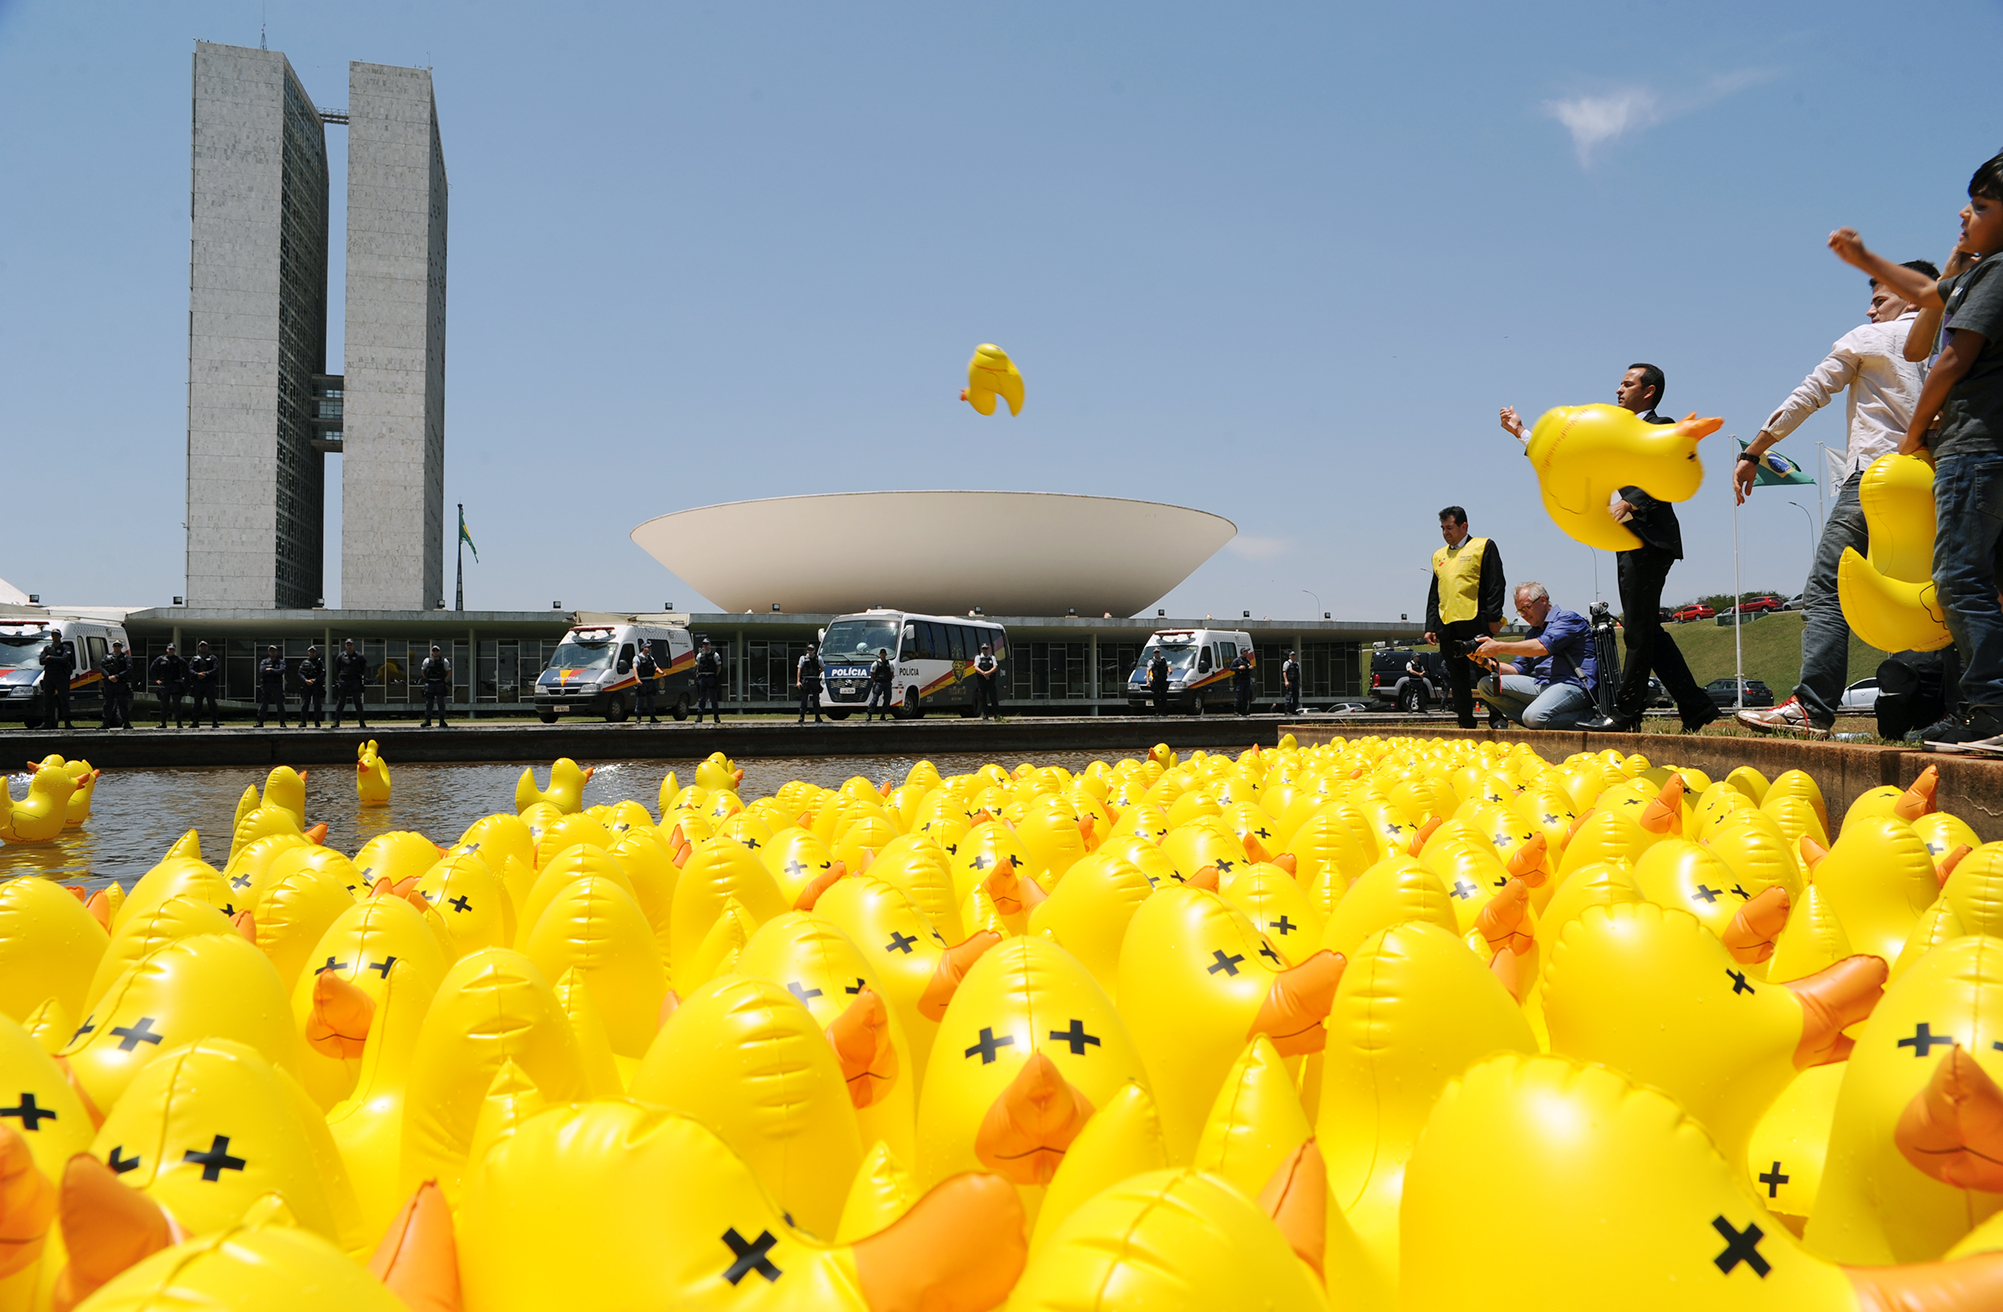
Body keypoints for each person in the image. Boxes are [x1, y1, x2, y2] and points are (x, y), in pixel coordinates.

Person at [1829, 152, 2003, 749]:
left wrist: (1913, 433)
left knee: (1959, 579)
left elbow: (1952, 358)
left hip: (1973, 450)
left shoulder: (1998, 272)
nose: (1964, 214)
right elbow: (1930, 292)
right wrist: (1865, 258)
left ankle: (1988, 711)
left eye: (1980, 206)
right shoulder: (1982, 273)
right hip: (1983, 451)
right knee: (1986, 579)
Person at [1734, 264, 1931, 738]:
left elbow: (1809, 394)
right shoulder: (1952, 348)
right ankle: (1943, 708)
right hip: (1931, 486)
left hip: (1874, 479)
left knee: (1828, 590)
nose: (1870, 309)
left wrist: (1754, 450)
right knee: (1929, 598)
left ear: (1912, 297)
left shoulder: (1870, 338)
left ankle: (1812, 707)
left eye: (1880, 299)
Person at [1503, 366, 1717, 732]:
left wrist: (1630, 502)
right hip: (1628, 543)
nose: (1618, 390)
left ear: (1649, 392)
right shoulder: (1615, 434)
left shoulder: (1659, 426)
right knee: (1649, 632)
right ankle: (1697, 708)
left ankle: (1625, 715)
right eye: (1619, 383)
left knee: (1636, 632)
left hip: (1649, 539)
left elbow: (1668, 467)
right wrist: (1522, 432)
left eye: (1627, 384)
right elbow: (1567, 455)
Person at [1470, 583, 1599, 729]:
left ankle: (1589, 716)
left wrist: (1498, 646)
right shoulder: (1533, 632)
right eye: (1520, 611)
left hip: (1573, 685)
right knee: (1487, 685)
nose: (1523, 615)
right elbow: (1517, 670)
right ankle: (1536, 720)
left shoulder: (1567, 619)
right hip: (1542, 685)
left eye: (1526, 608)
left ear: (1543, 600)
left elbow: (1543, 647)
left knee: (1533, 717)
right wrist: (1485, 662)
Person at [1423, 506, 1506, 728]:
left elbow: (1496, 583)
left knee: (1486, 670)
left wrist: (1494, 616)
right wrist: (1430, 625)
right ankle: (1465, 722)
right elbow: (1435, 592)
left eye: (1449, 527)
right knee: (1457, 677)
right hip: (1448, 625)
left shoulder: (1483, 546)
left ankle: (1497, 717)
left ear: (1464, 526)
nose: (1445, 533)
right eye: (1442, 528)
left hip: (1476, 622)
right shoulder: (1439, 555)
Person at [38, 628, 74, 730]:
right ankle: (46, 722)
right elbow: (41, 660)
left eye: (57, 635)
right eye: (53, 635)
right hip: (49, 676)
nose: (55, 637)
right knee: (47, 700)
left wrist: (51, 658)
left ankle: (67, 722)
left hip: (61, 676)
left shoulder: (65, 647)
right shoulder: (48, 648)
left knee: (64, 699)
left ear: (60, 636)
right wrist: (50, 659)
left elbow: (65, 659)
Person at [331, 639, 370, 729]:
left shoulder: (359, 656)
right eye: (347, 645)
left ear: (353, 645)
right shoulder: (341, 656)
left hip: (355, 680)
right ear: (345, 646)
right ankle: (336, 722)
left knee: (357, 701)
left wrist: (359, 675)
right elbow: (337, 668)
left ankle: (361, 722)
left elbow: (364, 667)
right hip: (344, 681)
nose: (349, 646)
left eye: (351, 645)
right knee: (341, 701)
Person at [150, 643, 186, 728]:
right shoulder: (160, 659)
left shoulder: (179, 660)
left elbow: (187, 669)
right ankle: (163, 723)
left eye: (173, 649)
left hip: (175, 685)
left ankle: (179, 724)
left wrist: (183, 679)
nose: (171, 651)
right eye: (170, 649)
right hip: (164, 685)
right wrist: (156, 680)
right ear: (167, 650)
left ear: (175, 650)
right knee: (164, 706)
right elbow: (152, 669)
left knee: (177, 705)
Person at [99, 641, 133, 730]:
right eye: (115, 645)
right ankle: (105, 723)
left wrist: (117, 676)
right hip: (109, 683)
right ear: (112, 646)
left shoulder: (125, 657)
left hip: (120, 683)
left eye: (119, 646)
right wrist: (108, 676)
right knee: (107, 704)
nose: (117, 647)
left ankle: (126, 722)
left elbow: (128, 669)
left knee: (122, 703)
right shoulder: (107, 657)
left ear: (121, 647)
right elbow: (101, 667)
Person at [187, 640, 221, 727]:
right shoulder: (194, 659)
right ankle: (195, 722)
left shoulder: (213, 658)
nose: (203, 647)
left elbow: (216, 668)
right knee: (197, 704)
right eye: (201, 646)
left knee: (212, 703)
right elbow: (190, 669)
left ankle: (214, 722)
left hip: (209, 683)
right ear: (199, 648)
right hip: (198, 684)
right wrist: (197, 674)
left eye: (205, 646)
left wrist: (206, 674)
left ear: (207, 647)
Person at [419, 644, 452, 727]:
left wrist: (443, 680)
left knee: (441, 703)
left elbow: (448, 671)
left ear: (439, 652)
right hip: (430, 683)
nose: (435, 652)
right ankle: (428, 721)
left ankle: (442, 721)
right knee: (429, 703)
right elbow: (423, 670)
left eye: (437, 650)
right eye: (434, 650)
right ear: (431, 652)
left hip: (440, 684)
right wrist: (427, 678)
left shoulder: (444, 661)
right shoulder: (427, 660)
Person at [256, 645, 288, 728]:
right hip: (266, 685)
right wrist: (275, 671)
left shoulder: (281, 661)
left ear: (276, 652)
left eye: (274, 651)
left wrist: (270, 670)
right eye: (271, 651)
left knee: (280, 705)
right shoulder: (264, 661)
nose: (272, 653)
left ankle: (282, 723)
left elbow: (281, 671)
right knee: (263, 704)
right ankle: (260, 722)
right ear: (268, 652)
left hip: (277, 685)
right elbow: (262, 671)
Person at [694, 639, 724, 724]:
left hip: (711, 677)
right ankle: (699, 716)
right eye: (704, 644)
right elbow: (698, 667)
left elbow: (719, 667)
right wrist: (697, 675)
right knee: (701, 698)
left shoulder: (715, 655)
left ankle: (716, 716)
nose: (705, 646)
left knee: (713, 698)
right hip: (702, 678)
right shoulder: (700, 655)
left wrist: (715, 676)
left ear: (710, 645)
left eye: (707, 644)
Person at [297, 645, 325, 728]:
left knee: (317, 704)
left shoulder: (320, 663)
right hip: (306, 686)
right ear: (308, 652)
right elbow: (300, 673)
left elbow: (323, 673)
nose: (312, 653)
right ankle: (303, 722)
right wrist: (305, 680)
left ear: (315, 653)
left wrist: (315, 680)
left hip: (316, 686)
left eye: (313, 651)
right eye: (310, 651)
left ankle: (317, 722)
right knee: (305, 704)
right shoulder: (304, 662)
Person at [796, 642, 824, 724]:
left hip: (815, 680)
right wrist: (798, 681)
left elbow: (822, 668)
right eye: (808, 650)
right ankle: (802, 716)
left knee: (816, 700)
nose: (810, 651)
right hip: (806, 680)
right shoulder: (803, 658)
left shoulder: (818, 658)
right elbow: (799, 669)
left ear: (814, 651)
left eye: (811, 650)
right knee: (804, 700)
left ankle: (817, 716)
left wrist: (820, 677)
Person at [865, 648, 895, 721]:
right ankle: (870, 714)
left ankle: (883, 715)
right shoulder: (875, 663)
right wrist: (876, 681)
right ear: (879, 655)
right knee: (875, 699)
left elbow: (892, 673)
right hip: (879, 683)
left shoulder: (890, 663)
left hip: (887, 683)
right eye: (881, 654)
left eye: (884, 654)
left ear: (886, 654)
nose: (883, 655)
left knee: (887, 699)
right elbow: (872, 674)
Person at [972, 643, 1001, 720]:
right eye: (983, 648)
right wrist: (984, 673)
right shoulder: (978, 657)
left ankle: (996, 714)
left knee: (993, 698)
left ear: (988, 649)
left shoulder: (992, 657)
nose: (985, 650)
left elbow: (995, 667)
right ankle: (985, 714)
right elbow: (976, 667)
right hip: (982, 681)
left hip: (991, 681)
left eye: (986, 648)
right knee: (982, 698)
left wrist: (988, 673)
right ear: (981, 649)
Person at [634, 643, 660, 724]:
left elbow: (655, 667)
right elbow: (635, 668)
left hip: (650, 681)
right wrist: (637, 679)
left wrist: (660, 671)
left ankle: (652, 717)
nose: (649, 649)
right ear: (643, 648)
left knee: (651, 699)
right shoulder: (637, 658)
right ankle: (638, 717)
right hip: (642, 681)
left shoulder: (650, 658)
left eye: (649, 647)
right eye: (647, 647)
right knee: (640, 700)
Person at [1230, 649, 1254, 715]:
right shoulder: (1237, 660)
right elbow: (1231, 668)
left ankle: (1245, 711)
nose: (1246, 653)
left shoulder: (1247, 660)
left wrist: (1251, 667)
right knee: (1239, 696)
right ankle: (1236, 711)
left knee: (1246, 697)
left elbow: (1249, 666)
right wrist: (1238, 668)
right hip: (1240, 681)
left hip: (1246, 680)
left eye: (1247, 652)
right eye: (1245, 652)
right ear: (1242, 653)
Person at [1148, 648, 1171, 716]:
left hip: (1163, 680)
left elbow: (1167, 666)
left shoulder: (1163, 660)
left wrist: (1170, 670)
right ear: (1154, 654)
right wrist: (1147, 681)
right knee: (1156, 696)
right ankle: (1157, 711)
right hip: (1156, 681)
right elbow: (1148, 671)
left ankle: (1163, 711)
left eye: (1158, 652)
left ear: (1160, 653)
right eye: (1155, 652)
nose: (1157, 654)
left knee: (1164, 696)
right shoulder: (1151, 661)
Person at [1282, 650, 1301, 714]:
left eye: (1294, 655)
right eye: (1292, 655)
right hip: (1290, 681)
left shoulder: (1297, 663)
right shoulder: (1287, 663)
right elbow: (1284, 672)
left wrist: (1300, 682)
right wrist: (1286, 681)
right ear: (1289, 656)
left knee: (1296, 696)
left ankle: (1294, 710)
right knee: (1289, 696)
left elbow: (1299, 673)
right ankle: (1287, 710)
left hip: (1296, 682)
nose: (1293, 656)